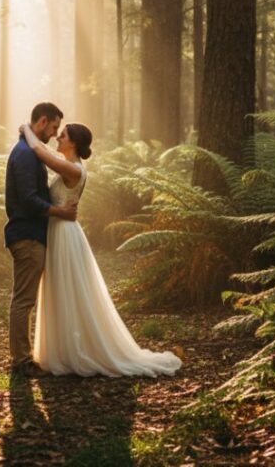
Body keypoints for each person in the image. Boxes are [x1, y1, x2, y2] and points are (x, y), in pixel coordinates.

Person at [21, 120, 182, 377]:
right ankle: (63, 348)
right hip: (60, 228)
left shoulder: (73, 169)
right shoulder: (70, 164)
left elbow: (40, 152)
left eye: (62, 135)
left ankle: (75, 351)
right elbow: (45, 151)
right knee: (61, 289)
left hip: (64, 233)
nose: (57, 139)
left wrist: (25, 128)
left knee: (67, 288)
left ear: (73, 142)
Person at [5, 102, 78, 377]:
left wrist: (26, 129)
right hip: (26, 235)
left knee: (24, 298)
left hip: (32, 234)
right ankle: (21, 361)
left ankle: (22, 358)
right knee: (24, 300)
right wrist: (60, 211)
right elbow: (28, 199)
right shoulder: (24, 155)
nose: (55, 133)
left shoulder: (29, 150)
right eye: (55, 127)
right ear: (44, 121)